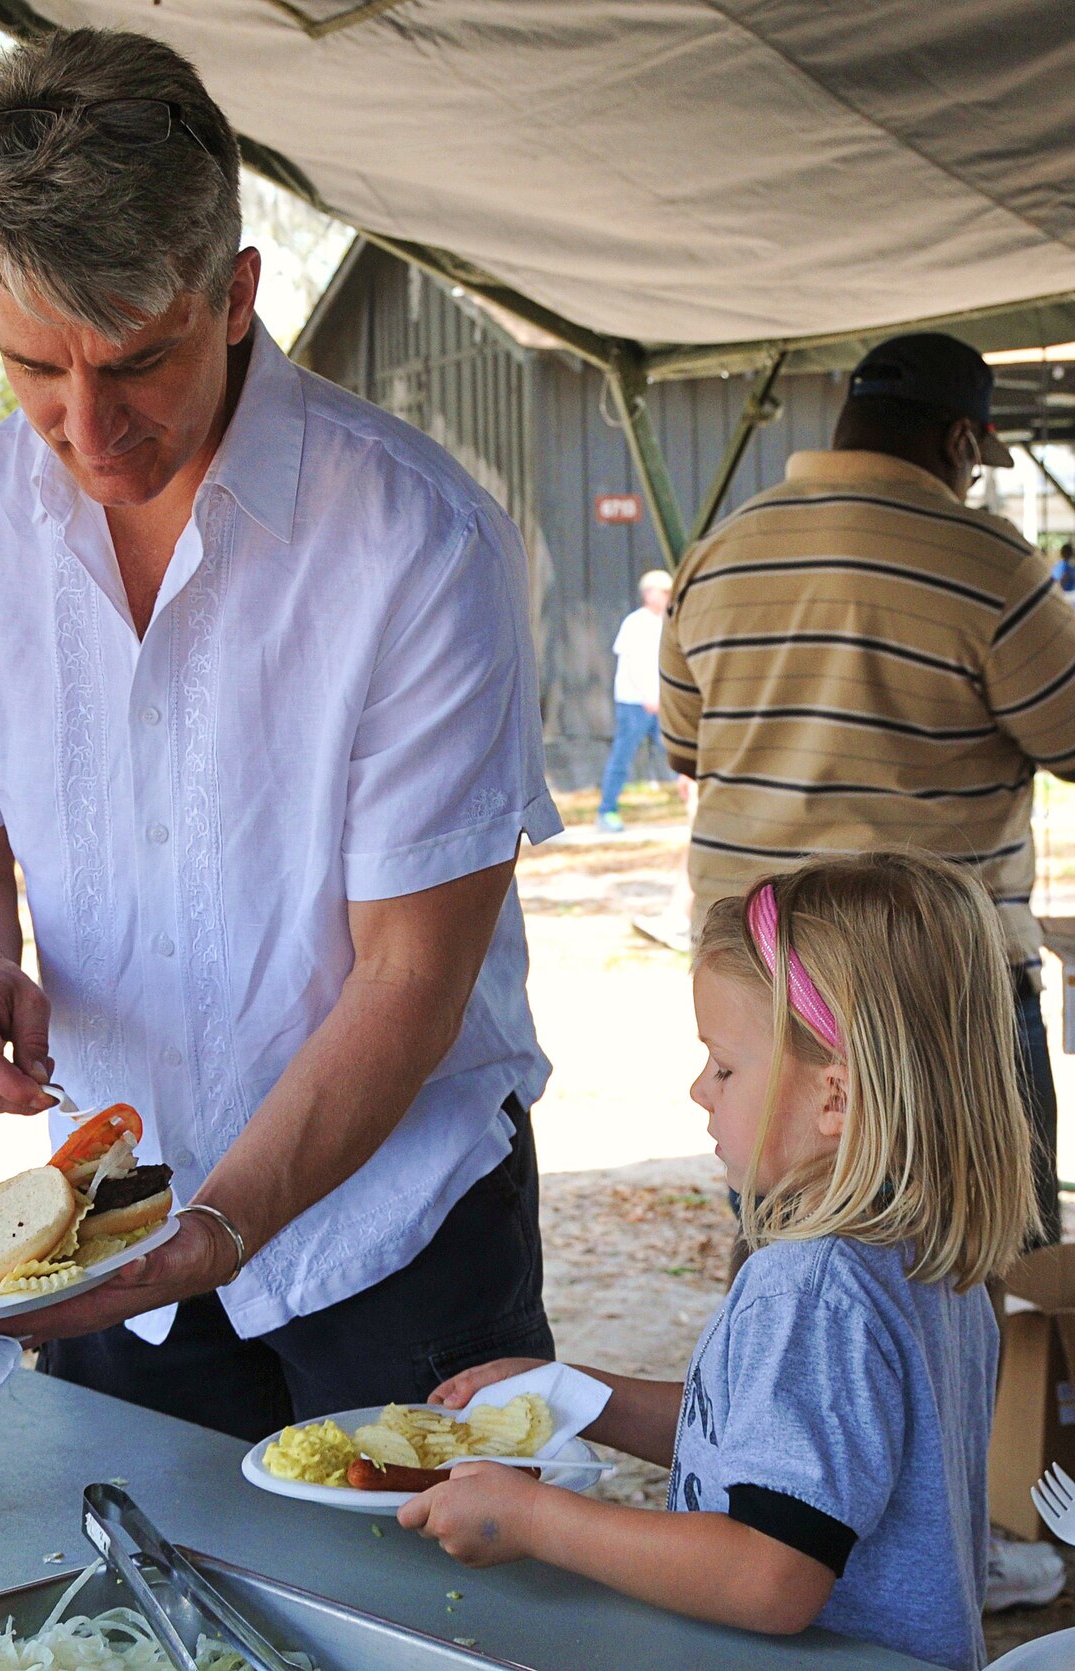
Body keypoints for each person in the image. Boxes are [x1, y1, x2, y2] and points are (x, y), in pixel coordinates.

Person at [0, 28, 560, 1440]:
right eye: (32, 369)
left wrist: (223, 1224)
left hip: (397, 1222)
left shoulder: (412, 538)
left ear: (236, 293)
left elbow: (410, 976)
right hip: (114, 1222)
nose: (88, 428)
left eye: (135, 361)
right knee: (138, 1634)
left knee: (431, 1633)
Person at [401, 850, 1034, 1671]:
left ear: (835, 1097)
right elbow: (773, 1446)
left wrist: (530, 1520)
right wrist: (575, 1396)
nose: (702, 1089)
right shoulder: (925, 1264)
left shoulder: (811, 1290)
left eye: (726, 1066)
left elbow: (771, 1572)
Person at [660, 331, 1075, 1250]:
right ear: (963, 442)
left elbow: (686, 748)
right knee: (984, 1268)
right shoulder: (991, 566)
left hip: (760, 975)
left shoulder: (719, 555)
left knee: (785, 1257)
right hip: (935, 982)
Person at [596, 568, 672, 833]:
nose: (665, 597)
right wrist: (647, 696)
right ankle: (606, 811)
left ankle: (696, 811)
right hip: (634, 703)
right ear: (648, 593)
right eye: (661, 592)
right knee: (622, 756)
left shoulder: (669, 621)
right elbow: (630, 664)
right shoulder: (635, 622)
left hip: (662, 703)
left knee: (676, 754)